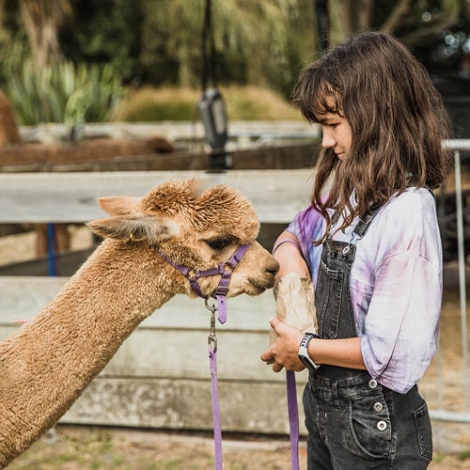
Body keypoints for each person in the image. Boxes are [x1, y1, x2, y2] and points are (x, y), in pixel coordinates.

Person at [260, 31, 451, 470]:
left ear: (377, 116)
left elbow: (391, 353)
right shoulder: (348, 197)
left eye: (333, 124)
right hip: (328, 416)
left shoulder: (406, 216)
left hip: (376, 428)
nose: (326, 141)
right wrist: (292, 265)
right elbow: (295, 232)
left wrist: (304, 346)